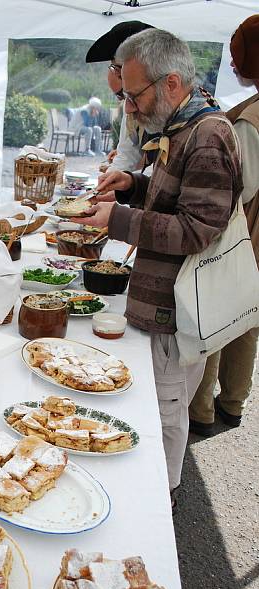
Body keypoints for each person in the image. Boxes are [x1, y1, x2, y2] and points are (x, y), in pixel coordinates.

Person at [82, 28, 243, 508]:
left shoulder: (209, 136)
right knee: (157, 409)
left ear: (171, 83)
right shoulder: (184, 127)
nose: (129, 108)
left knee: (164, 415)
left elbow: (197, 229)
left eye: (135, 95)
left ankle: (160, 503)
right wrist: (131, 183)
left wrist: (121, 220)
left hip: (181, 312)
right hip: (164, 304)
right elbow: (172, 197)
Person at [189, 14, 259, 435]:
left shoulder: (252, 119)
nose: (233, 66)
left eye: (240, 58)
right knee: (249, 318)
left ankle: (202, 410)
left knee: (218, 315)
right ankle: (233, 401)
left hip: (247, 233)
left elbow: (242, 186)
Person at [85, 20, 153, 173]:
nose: (127, 107)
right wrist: (112, 181)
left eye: (131, 95)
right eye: (122, 97)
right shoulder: (132, 108)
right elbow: (127, 153)